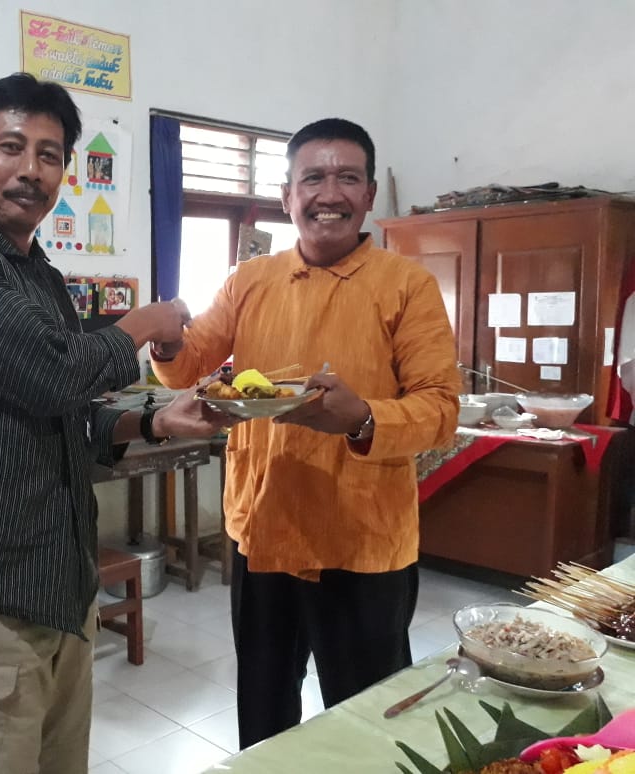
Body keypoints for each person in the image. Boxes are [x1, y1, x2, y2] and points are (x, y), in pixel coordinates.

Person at [0, 73, 230, 774]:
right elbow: (54, 374)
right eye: (11, 147)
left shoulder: (42, 278)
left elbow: (62, 414)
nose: (31, 169)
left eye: (49, 155)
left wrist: (157, 422)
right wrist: (146, 321)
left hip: (62, 600)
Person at [151, 118, 460, 749]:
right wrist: (166, 338)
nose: (329, 193)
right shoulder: (248, 281)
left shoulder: (408, 286)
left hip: (362, 541)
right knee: (264, 717)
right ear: (287, 195)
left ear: (368, 194)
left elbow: (440, 410)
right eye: (313, 178)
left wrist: (364, 418)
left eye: (347, 178)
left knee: (369, 723)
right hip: (263, 528)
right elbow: (188, 364)